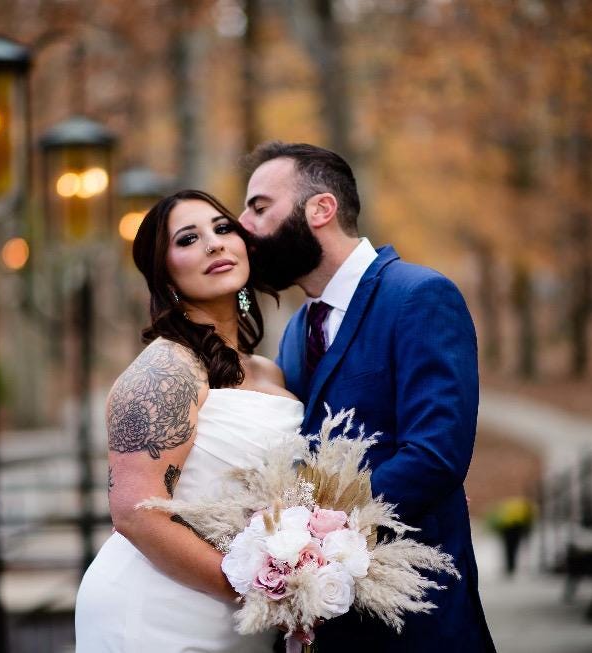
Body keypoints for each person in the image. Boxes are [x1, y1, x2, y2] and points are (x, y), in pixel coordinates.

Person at [239, 142, 497, 652]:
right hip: (325, 621)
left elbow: (436, 454)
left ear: (321, 209)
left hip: (415, 616)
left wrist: (316, 534)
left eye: (260, 207)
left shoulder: (419, 296)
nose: (243, 224)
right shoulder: (295, 330)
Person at [75, 190, 304, 652]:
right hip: (159, 611)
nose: (214, 244)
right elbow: (135, 515)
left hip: (241, 618)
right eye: (188, 239)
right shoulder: (165, 371)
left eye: (223, 229)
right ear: (165, 274)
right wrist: (256, 593)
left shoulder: (268, 371)